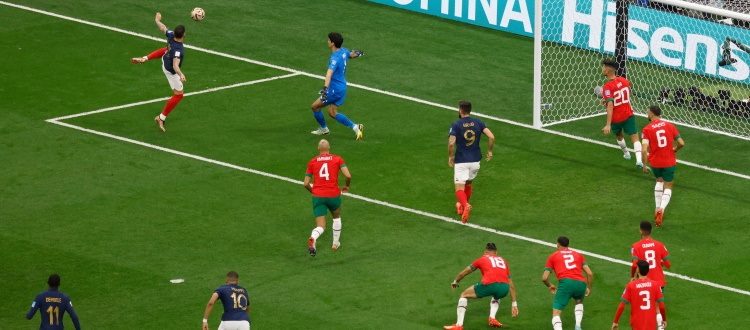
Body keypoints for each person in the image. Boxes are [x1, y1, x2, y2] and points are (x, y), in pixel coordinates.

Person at [130, 12, 187, 132]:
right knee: (179, 95)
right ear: (184, 35)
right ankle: (161, 118)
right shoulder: (178, 50)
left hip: (165, 58)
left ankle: (145, 58)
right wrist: (181, 75)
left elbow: (163, 28)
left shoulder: (171, 36)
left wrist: (157, 20)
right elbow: (175, 65)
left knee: (166, 49)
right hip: (170, 70)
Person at [443, 243, 518, 330]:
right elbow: (511, 285)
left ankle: (459, 325)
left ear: (485, 252)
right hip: (505, 288)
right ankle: (492, 319)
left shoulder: (482, 259)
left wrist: (455, 281)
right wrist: (514, 304)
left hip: (490, 284)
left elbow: (464, 272)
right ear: (496, 253)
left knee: (464, 295)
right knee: (497, 294)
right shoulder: (503, 261)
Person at [309, 32, 365, 140]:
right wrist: (358, 53)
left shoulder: (335, 58)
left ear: (332, 43)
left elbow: (329, 73)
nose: (328, 41)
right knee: (332, 112)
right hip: (342, 87)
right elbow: (352, 55)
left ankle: (325, 129)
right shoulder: (344, 51)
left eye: (329, 40)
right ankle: (355, 127)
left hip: (334, 90)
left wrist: (325, 89)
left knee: (315, 107)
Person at [448, 101, 495, 223]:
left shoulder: (456, 124)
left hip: (462, 161)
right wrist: (489, 151)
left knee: (459, 188)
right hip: (475, 161)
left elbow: (451, 142)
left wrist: (450, 156)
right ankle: (462, 207)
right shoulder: (478, 122)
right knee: (468, 183)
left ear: (460, 110)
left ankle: (465, 205)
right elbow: (491, 137)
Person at [303, 139, 351, 256]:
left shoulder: (312, 162)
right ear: (329, 147)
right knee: (336, 217)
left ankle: (313, 237)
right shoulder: (337, 159)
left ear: (318, 149)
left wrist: (314, 192)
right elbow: (348, 175)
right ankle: (335, 243)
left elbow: (305, 183)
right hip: (333, 195)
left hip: (318, 196)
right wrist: (346, 186)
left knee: (321, 226)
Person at [641, 105, 685, 226]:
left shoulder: (646, 130)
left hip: (655, 162)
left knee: (659, 180)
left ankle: (656, 209)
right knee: (668, 185)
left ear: (650, 114)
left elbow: (644, 150)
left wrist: (644, 165)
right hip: (669, 161)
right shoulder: (670, 126)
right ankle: (662, 209)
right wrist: (675, 149)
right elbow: (681, 143)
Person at [542, 236, 594, 330]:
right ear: (569, 245)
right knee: (578, 302)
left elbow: (544, 278)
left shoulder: (553, 256)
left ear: (557, 244)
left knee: (556, 313)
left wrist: (550, 285)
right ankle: (578, 326)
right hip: (581, 283)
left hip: (566, 283)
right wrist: (589, 288)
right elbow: (589, 273)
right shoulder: (579, 255)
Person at [600, 59, 644, 169]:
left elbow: (610, 106)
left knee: (619, 135)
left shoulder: (607, 87)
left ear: (607, 70)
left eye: (603, 67)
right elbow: (629, 94)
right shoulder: (624, 80)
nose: (602, 69)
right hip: (628, 114)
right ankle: (639, 160)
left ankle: (626, 153)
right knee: (635, 137)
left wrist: (608, 124)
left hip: (616, 117)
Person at [631, 221, 671, 329]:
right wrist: (661, 262)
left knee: (650, 306)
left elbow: (635, 265)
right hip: (659, 280)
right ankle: (661, 325)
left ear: (640, 231)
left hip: (645, 280)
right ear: (651, 231)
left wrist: (632, 276)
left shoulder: (636, 246)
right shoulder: (660, 245)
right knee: (657, 305)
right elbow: (668, 264)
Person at [612, 260, 667, 330]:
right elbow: (661, 306)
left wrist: (615, 321)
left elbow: (622, 305)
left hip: (636, 324)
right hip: (651, 324)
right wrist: (664, 319)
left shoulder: (631, 285)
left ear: (638, 270)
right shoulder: (655, 285)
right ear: (648, 270)